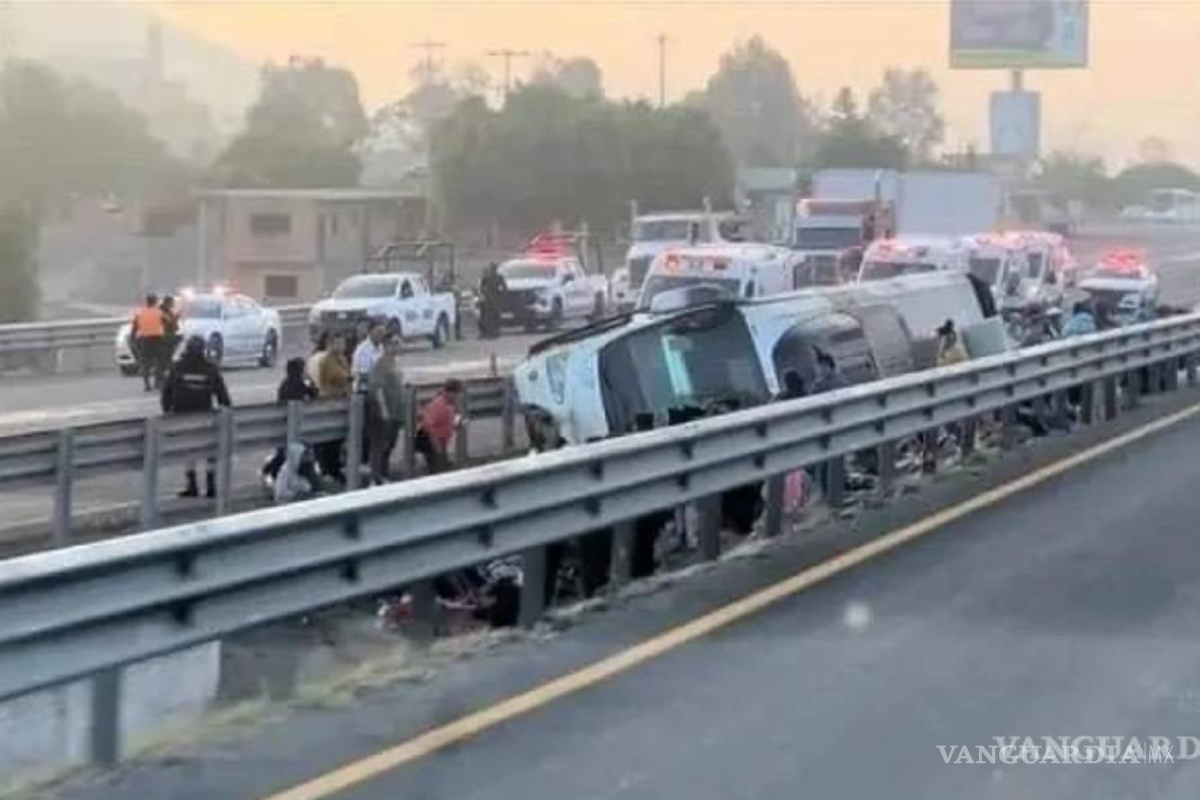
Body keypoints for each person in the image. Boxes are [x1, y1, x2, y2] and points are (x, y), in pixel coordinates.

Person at [161, 335, 232, 498]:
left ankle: (192, 484)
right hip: (205, 415)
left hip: (182, 416)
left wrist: (167, 412)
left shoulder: (178, 367)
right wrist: (226, 412)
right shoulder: (210, 368)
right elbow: (222, 395)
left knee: (189, 450)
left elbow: (166, 393)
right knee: (210, 450)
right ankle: (211, 484)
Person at [262, 358, 320, 485]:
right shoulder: (300, 383)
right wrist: (310, 381)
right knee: (291, 451)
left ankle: (271, 469)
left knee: (285, 450)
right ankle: (273, 470)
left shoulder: (285, 383)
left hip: (284, 421)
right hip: (295, 422)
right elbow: (314, 394)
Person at [367, 334, 406, 484]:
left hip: (396, 410)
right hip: (384, 411)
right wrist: (383, 410)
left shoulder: (395, 362)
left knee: (391, 443)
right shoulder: (380, 364)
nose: (397, 346)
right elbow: (377, 389)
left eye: (398, 343)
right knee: (380, 445)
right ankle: (376, 476)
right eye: (394, 343)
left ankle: (384, 472)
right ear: (385, 345)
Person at [315, 335, 352, 484]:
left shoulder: (342, 359)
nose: (341, 346)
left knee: (338, 440)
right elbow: (337, 378)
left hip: (342, 404)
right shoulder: (327, 361)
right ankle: (327, 470)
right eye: (338, 343)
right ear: (331, 345)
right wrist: (348, 380)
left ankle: (335, 469)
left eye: (343, 343)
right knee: (328, 441)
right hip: (329, 404)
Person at [416, 378, 463, 474]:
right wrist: (437, 447)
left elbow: (448, 420)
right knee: (438, 470)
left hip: (440, 442)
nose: (458, 397)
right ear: (451, 392)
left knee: (442, 468)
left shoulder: (449, 404)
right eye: (457, 394)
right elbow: (430, 426)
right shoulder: (439, 405)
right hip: (431, 441)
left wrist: (457, 423)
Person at [131, 293, 166, 392]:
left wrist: (133, 338)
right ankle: (157, 383)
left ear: (147, 301)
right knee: (159, 362)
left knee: (145, 363)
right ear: (155, 301)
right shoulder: (159, 312)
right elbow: (167, 323)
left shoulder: (140, 313)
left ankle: (147, 385)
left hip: (145, 340)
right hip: (157, 339)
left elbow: (135, 328)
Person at [352, 322, 386, 392]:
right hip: (364, 390)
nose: (381, 335)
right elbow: (363, 377)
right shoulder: (363, 351)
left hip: (377, 386)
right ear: (370, 332)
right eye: (379, 332)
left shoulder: (380, 347)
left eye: (383, 332)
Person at [478, 263, 507, 339]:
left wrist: (500, 295)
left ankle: (495, 333)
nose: (491, 270)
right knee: (487, 317)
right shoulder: (486, 277)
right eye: (490, 269)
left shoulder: (499, 277)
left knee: (495, 317)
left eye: (491, 269)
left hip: (496, 300)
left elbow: (504, 288)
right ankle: (487, 333)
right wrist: (484, 292)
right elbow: (482, 287)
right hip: (487, 300)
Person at [159, 295, 181, 371]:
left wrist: (175, 320)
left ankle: (165, 370)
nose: (173, 304)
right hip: (164, 337)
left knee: (168, 356)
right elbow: (168, 323)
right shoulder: (162, 311)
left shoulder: (168, 311)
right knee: (165, 356)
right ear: (167, 302)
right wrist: (176, 318)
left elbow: (173, 324)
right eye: (172, 302)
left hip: (168, 336)